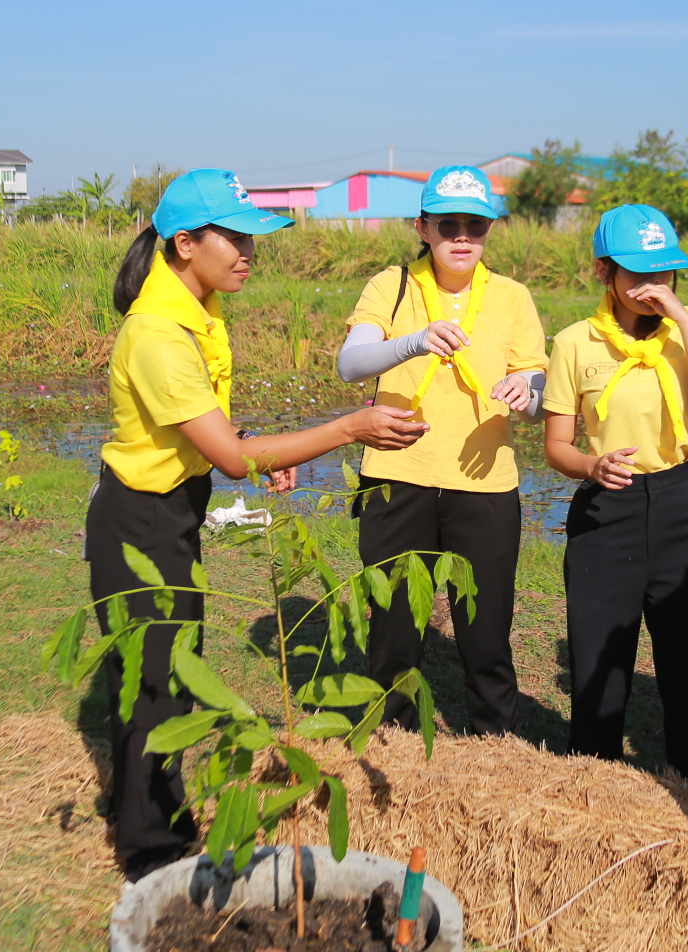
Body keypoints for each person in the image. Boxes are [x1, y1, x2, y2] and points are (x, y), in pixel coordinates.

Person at [90, 168, 426, 880]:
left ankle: (153, 811)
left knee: (170, 676)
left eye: (251, 238)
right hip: (138, 525)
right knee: (155, 682)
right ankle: (149, 856)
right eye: (234, 238)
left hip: (170, 512)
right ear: (185, 243)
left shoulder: (194, 306)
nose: (248, 252)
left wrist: (245, 440)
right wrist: (349, 427)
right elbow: (232, 461)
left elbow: (205, 429)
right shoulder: (157, 334)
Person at [337, 165, 548, 736]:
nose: (461, 237)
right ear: (422, 227)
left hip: (484, 486)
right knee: (395, 630)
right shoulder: (392, 285)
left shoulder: (511, 297)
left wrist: (525, 393)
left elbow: (536, 393)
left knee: (485, 634)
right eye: (447, 224)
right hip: (396, 478)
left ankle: (494, 745)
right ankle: (392, 738)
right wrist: (413, 340)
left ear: (489, 230)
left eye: (475, 226)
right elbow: (350, 363)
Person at [543, 203, 688, 798]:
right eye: (635, 274)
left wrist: (679, 315)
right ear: (604, 271)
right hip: (608, 510)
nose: (651, 287)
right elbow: (557, 446)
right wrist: (592, 466)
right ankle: (593, 801)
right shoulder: (576, 342)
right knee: (600, 672)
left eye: (663, 274)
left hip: (682, 505)